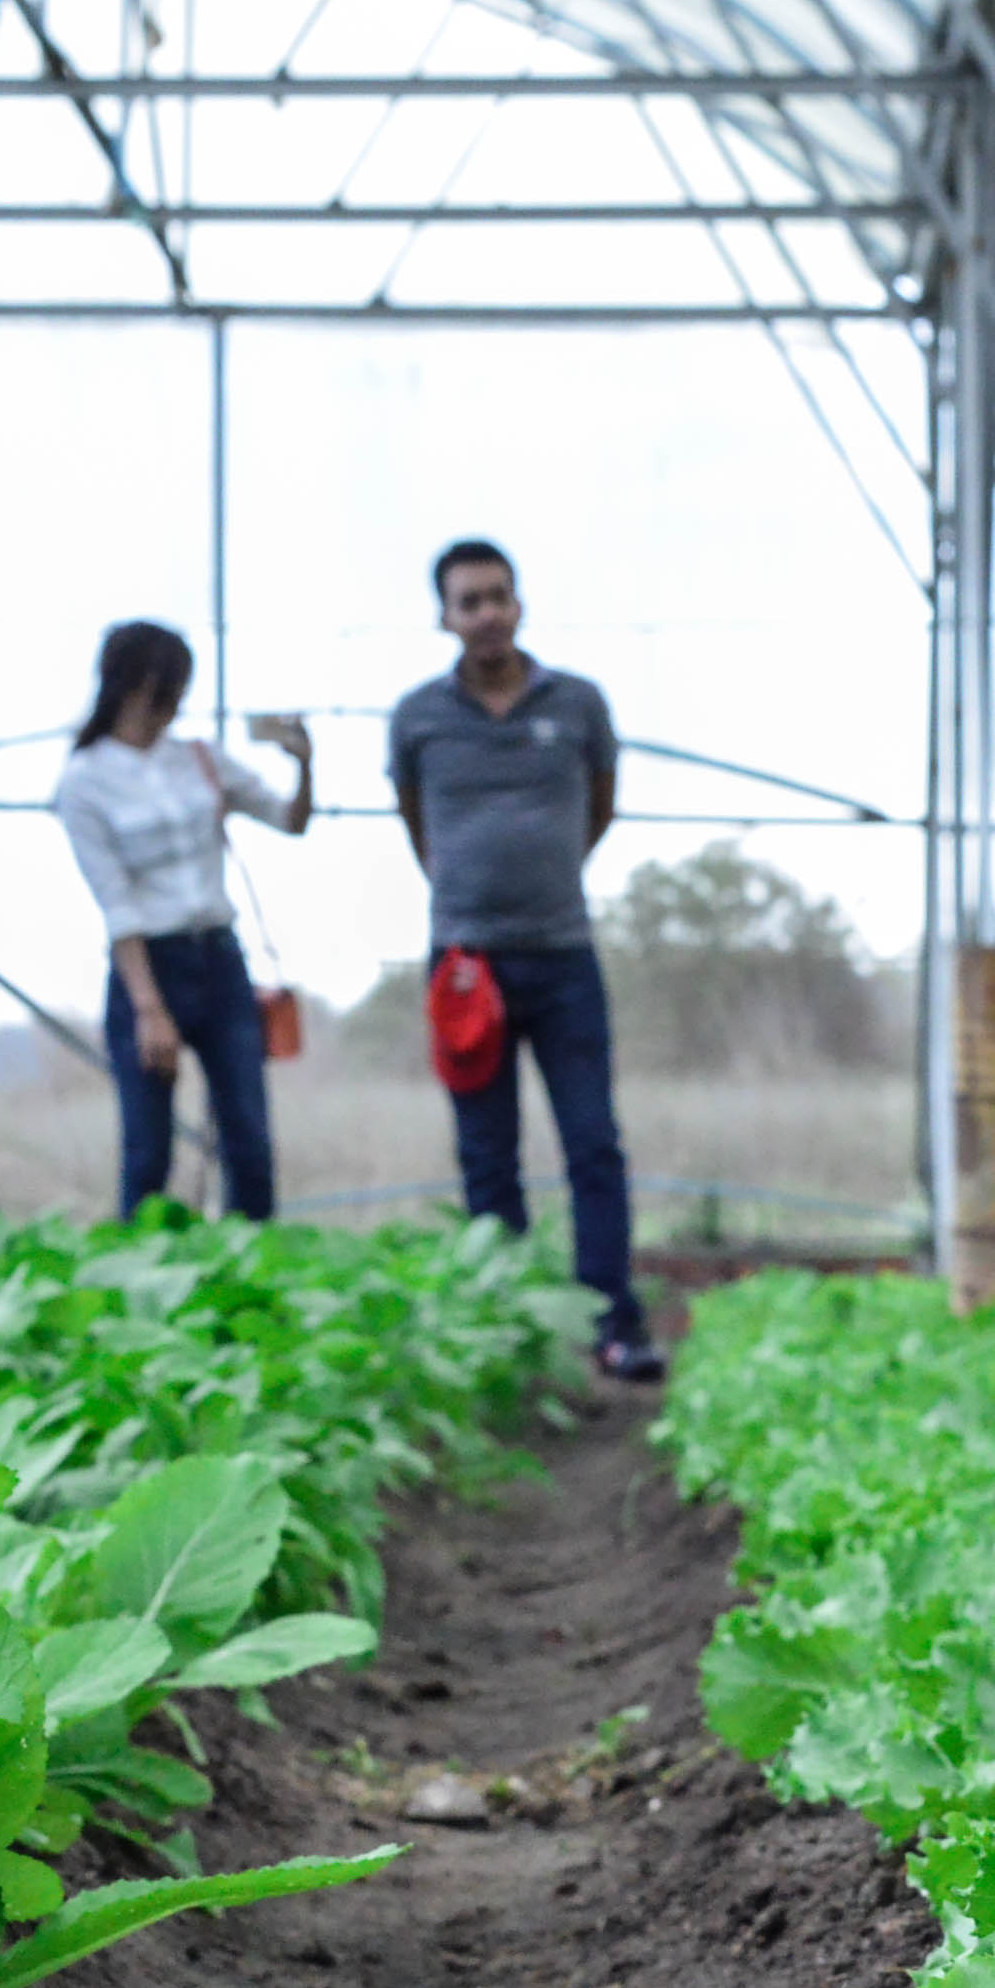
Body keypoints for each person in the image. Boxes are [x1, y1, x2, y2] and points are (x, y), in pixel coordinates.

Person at [388, 536, 655, 1381]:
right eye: (469, 601)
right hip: (465, 966)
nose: (487, 614)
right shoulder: (418, 717)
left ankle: (611, 1321)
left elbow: (601, 807)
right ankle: (510, 1330)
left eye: (498, 596)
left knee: (593, 1144)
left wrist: (543, 871)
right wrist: (468, 893)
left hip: (563, 955)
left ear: (520, 604)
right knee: (486, 1155)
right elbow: (415, 821)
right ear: (445, 617)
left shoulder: (577, 704)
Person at [52, 619, 314, 1219]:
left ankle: (253, 1257)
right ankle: (141, 1264)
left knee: (249, 1138)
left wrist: (303, 766)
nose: (174, 700)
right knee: (148, 1149)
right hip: (151, 967)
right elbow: (117, 902)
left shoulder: (197, 758)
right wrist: (150, 1009)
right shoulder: (85, 779)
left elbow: (290, 819)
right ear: (134, 684)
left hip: (219, 958)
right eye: (167, 685)